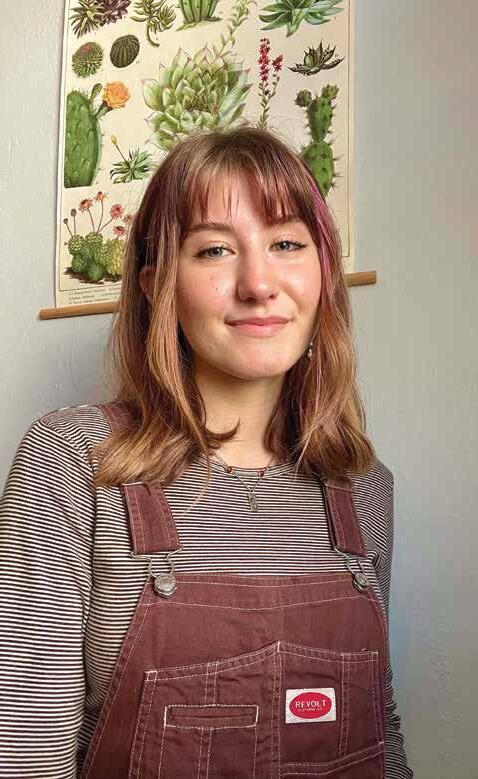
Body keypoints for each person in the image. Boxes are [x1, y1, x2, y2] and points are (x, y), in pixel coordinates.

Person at [0, 124, 413, 778]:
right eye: (215, 250)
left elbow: (379, 733)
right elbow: (23, 752)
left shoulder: (363, 485)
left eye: (287, 243)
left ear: (323, 274)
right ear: (156, 284)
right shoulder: (74, 461)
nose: (259, 283)